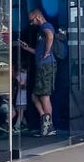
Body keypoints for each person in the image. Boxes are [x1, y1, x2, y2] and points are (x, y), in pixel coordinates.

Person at [20, 9, 57, 137]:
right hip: (42, 65)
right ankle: (46, 121)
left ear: (38, 17)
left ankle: (48, 127)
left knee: (44, 96)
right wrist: (27, 48)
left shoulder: (45, 26)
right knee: (35, 96)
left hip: (46, 66)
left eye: (32, 21)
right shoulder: (41, 30)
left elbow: (50, 36)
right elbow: (38, 51)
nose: (32, 23)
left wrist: (47, 53)